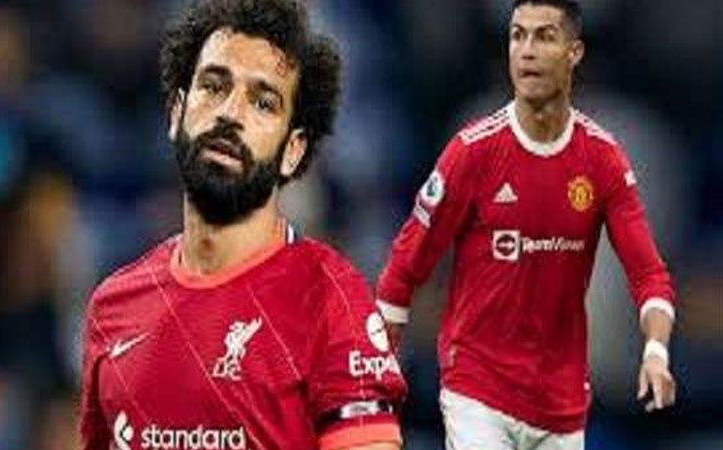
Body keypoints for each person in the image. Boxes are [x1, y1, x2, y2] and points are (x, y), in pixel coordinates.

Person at [79, 1, 405, 449]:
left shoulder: (330, 301)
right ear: (175, 113)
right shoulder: (113, 308)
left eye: (263, 102)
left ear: (293, 150)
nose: (231, 113)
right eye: (214, 86)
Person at [375, 1, 676, 449]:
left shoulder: (632, 143)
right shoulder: (475, 134)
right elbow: (419, 272)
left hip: (596, 405)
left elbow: (654, 279)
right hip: (486, 395)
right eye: (519, 40)